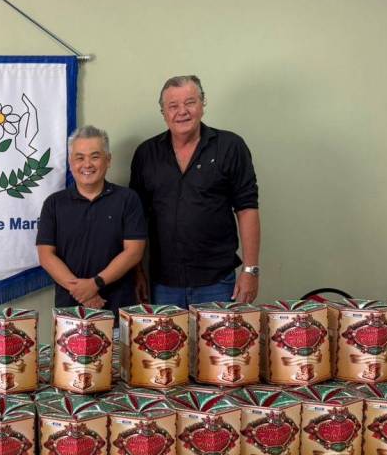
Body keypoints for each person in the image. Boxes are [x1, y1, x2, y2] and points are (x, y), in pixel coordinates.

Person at [130, 75, 260, 308]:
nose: (182, 111)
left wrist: (250, 270)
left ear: (202, 104)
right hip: (163, 283)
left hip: (218, 281)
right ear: (163, 112)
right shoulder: (146, 154)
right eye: (173, 106)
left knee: (219, 336)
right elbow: (136, 220)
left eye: (190, 102)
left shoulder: (230, 146)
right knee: (167, 336)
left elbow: (247, 208)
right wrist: (137, 271)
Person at [36, 125, 146, 313]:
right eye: (80, 158)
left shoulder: (128, 199)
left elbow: (134, 252)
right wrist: (82, 292)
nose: (87, 164)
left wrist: (95, 284)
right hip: (69, 311)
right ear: (71, 162)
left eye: (95, 157)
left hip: (118, 308)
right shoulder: (54, 204)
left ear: (108, 160)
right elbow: (46, 256)